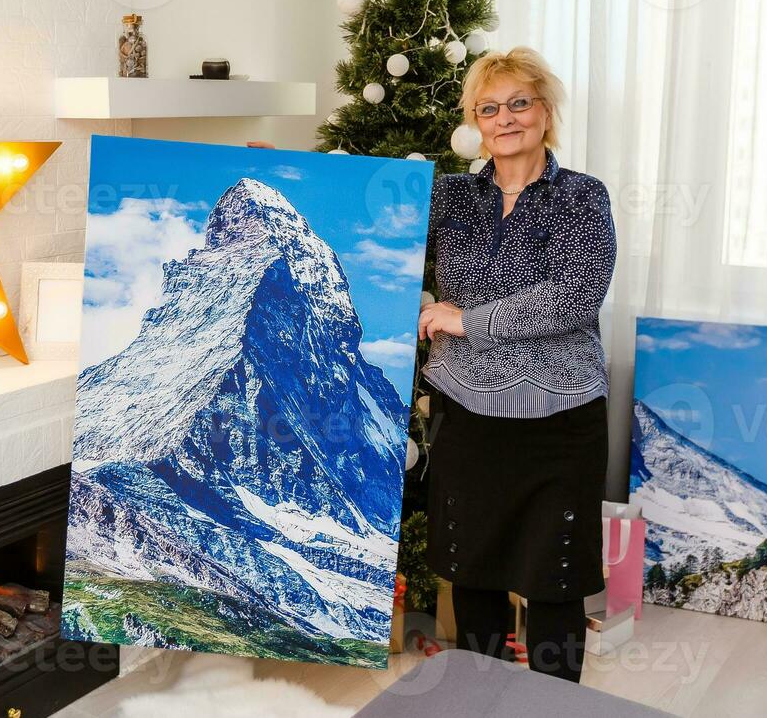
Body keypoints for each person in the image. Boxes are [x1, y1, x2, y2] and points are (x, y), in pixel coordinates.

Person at [251, 45, 616, 683]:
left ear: (546, 111)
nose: (505, 118)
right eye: (488, 107)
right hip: (467, 418)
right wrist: (273, 171)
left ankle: (557, 708)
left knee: (554, 583)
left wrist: (463, 319)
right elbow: (355, 203)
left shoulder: (581, 198)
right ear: (475, 121)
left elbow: (573, 297)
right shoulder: (448, 198)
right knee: (472, 573)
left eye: (519, 103)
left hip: (560, 425)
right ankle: (481, 699)